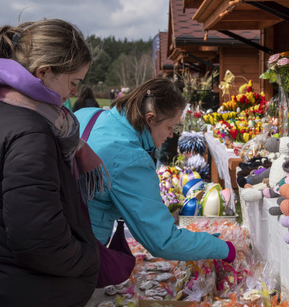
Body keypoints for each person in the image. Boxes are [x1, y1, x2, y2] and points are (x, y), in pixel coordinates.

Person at [0, 19, 100, 307]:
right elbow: (39, 240)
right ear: (43, 73)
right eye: (72, 82)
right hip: (26, 297)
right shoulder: (31, 131)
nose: (74, 93)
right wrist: (90, 258)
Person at [74, 78, 236, 263]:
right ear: (150, 119)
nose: (170, 135)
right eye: (169, 127)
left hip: (62, 235)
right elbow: (163, 241)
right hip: (83, 252)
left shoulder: (87, 114)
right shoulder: (129, 157)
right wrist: (224, 248)